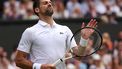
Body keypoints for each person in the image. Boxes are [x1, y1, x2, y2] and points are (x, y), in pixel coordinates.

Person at [15, 0, 97, 69]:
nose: (49, 4)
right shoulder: (30, 32)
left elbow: (78, 56)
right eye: (45, 3)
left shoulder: (65, 29)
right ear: (37, 10)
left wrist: (84, 39)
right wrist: (40, 67)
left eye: (50, 2)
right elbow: (19, 60)